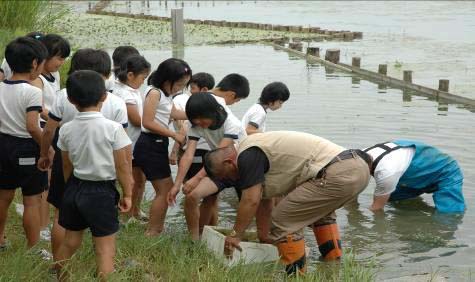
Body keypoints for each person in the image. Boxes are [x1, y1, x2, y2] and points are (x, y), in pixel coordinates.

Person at [202, 131, 371, 275]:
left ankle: (297, 277)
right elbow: (263, 200)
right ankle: (332, 267)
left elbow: (250, 200)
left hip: (337, 172)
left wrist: (235, 235)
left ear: (228, 162)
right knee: (320, 217)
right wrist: (264, 236)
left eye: (225, 176)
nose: (230, 181)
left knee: (283, 220)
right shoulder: (254, 149)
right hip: (357, 168)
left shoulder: (247, 156)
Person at [37, 48, 127, 264]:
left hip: (67, 161)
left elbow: (49, 130)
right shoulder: (114, 102)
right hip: (103, 171)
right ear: (105, 76)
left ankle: (59, 266)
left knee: (61, 217)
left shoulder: (64, 96)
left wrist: (44, 153)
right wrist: (128, 186)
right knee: (104, 233)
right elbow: (124, 149)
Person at [54, 70, 133, 280]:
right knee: (105, 248)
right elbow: (123, 165)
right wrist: (128, 194)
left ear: (71, 100)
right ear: (104, 97)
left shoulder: (66, 129)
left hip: (75, 187)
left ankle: (61, 277)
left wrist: (70, 187)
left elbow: (66, 164)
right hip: (101, 192)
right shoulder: (113, 128)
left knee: (70, 241)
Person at [167, 93, 246, 241]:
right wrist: (177, 184)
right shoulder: (196, 123)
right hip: (219, 168)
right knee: (192, 196)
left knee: (250, 204)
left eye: (202, 119)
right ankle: (195, 240)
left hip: (241, 167)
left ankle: (245, 238)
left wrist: (196, 179)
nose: (199, 123)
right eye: (195, 120)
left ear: (214, 112)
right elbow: (188, 155)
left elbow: (220, 155)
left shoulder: (232, 124)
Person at [0, 37, 48, 249]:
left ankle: (0, 239)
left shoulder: (1, 87)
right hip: (26, 147)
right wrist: (47, 150)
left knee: (3, 197)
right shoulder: (33, 92)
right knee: (31, 200)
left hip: (2, 144)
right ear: (35, 63)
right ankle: (33, 247)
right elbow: (32, 126)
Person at [133, 58, 190, 236]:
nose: (181, 88)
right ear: (167, 79)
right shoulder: (155, 93)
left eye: (184, 84)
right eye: (179, 83)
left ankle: (155, 228)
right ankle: (153, 231)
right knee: (165, 190)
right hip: (150, 143)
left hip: (157, 143)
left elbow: (171, 112)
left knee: (164, 189)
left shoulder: (166, 94)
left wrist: (195, 113)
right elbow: (147, 121)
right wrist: (174, 134)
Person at [32, 33, 71, 241]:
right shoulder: (37, 80)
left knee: (50, 180)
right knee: (43, 181)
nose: (61, 63)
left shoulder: (54, 76)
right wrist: (59, 118)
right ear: (45, 56)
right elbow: (39, 108)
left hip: (55, 128)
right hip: (43, 129)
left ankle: (46, 223)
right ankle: (42, 225)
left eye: (64, 59)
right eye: (59, 58)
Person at [169, 72, 218, 232]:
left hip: (204, 156)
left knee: (196, 197)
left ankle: (201, 232)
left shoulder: (184, 101)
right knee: (209, 199)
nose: (190, 91)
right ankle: (205, 232)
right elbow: (185, 129)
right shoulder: (212, 104)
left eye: (192, 88)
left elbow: (182, 128)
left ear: (203, 89)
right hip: (204, 155)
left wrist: (175, 151)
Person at [363, 140, 465, 213]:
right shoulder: (358, 155)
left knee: (450, 214)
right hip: (413, 178)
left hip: (444, 172)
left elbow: (376, 208)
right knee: (393, 200)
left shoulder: (387, 171)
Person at [112, 54, 151, 221]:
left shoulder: (132, 90)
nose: (143, 81)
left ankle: (135, 210)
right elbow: (136, 119)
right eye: (143, 77)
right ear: (130, 75)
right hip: (130, 144)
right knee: (134, 179)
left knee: (140, 178)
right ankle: (127, 215)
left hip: (136, 142)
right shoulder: (124, 93)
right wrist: (155, 124)